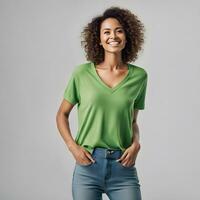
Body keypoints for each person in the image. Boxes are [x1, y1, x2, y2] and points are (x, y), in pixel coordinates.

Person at [56, 6, 148, 200]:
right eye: (106, 32)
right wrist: (73, 147)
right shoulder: (81, 74)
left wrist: (136, 144)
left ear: (127, 36)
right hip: (88, 165)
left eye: (119, 30)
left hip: (123, 166)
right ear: (98, 39)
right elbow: (62, 114)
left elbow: (132, 122)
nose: (113, 36)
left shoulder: (139, 77)